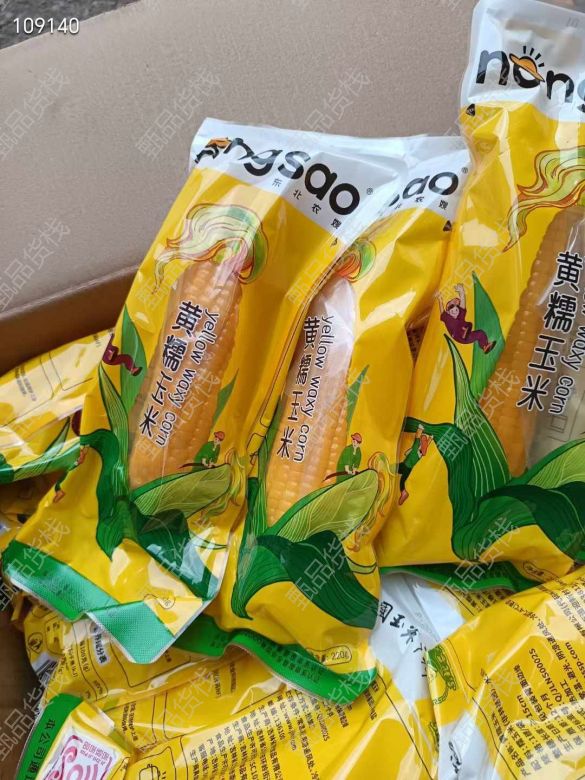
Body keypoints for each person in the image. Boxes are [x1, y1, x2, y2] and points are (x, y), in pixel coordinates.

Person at [436, 283, 496, 353]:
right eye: (451, 306)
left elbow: (462, 305)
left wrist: (461, 292)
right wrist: (440, 300)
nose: (454, 311)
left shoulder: (459, 315)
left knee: (480, 333)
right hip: (459, 336)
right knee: (479, 333)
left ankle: (484, 346)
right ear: (448, 312)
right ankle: (468, 336)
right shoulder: (448, 318)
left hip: (464, 332)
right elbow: (442, 312)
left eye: (456, 309)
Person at [397, 424, 432, 505]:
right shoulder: (421, 454)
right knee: (402, 481)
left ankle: (404, 493)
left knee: (393, 469)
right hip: (409, 469)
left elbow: (417, 437)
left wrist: (420, 429)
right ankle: (404, 492)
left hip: (405, 466)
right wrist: (430, 438)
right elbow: (426, 445)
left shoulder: (415, 448)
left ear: (420, 444)